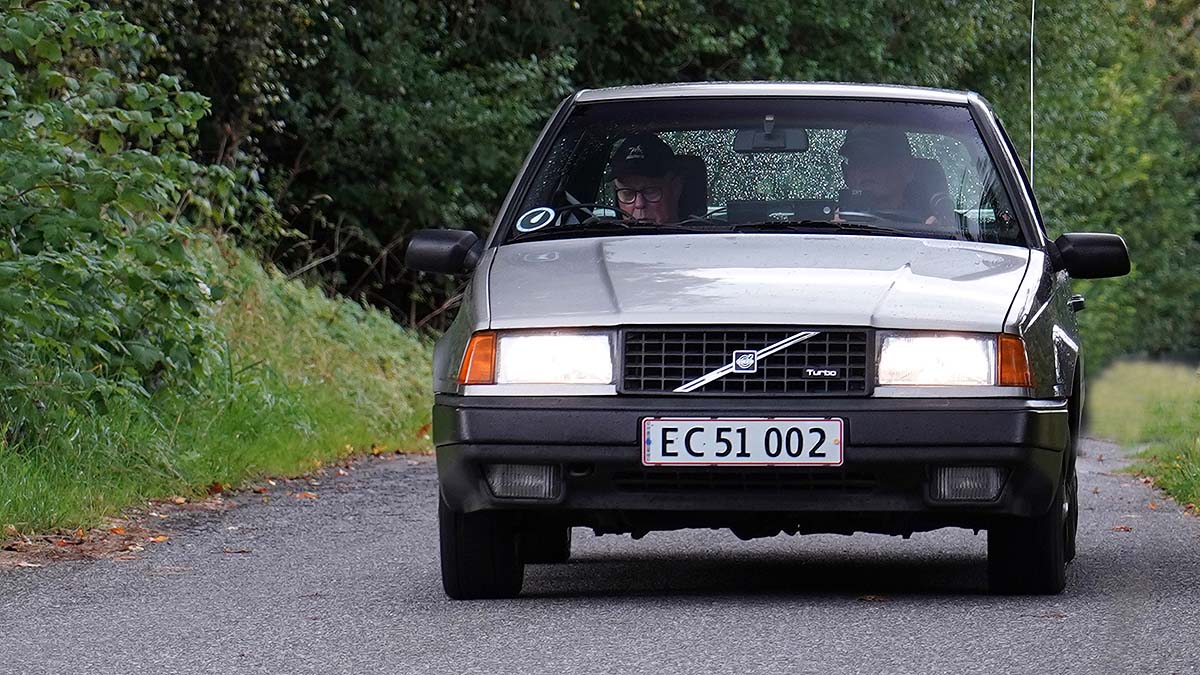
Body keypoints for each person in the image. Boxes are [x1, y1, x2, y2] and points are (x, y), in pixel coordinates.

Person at [837, 127, 956, 229]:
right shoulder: (829, 227)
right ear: (846, 173)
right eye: (857, 160)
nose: (865, 169)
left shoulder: (935, 228)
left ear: (907, 169)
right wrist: (833, 228)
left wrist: (937, 233)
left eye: (877, 159)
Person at [608, 133, 683, 224]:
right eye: (627, 193)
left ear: (676, 189)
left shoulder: (698, 232)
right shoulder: (598, 231)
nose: (639, 204)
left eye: (650, 191)